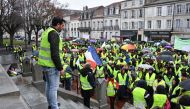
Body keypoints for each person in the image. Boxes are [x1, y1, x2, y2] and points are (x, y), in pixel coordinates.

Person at [38, 16, 66, 109]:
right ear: (57, 25)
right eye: (62, 25)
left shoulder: (47, 31)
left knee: (49, 86)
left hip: (45, 65)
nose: (63, 28)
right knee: (53, 88)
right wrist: (60, 68)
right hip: (52, 66)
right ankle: (54, 106)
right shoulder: (54, 34)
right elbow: (55, 54)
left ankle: (51, 104)